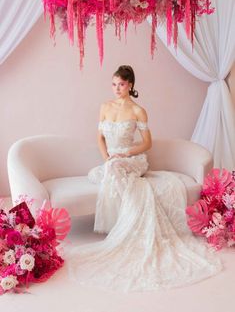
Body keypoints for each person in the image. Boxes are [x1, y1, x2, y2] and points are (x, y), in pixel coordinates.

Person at [66, 65, 222, 292]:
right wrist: (108, 157)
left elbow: (147, 143)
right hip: (112, 160)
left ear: (130, 85)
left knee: (117, 169)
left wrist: (125, 153)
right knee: (112, 170)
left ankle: (128, 227)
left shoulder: (138, 111)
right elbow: (99, 138)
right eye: (113, 84)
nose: (116, 88)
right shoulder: (105, 107)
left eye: (121, 84)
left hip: (133, 159)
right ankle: (125, 220)